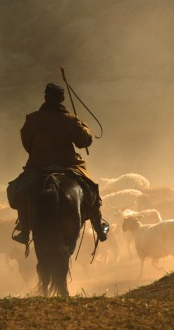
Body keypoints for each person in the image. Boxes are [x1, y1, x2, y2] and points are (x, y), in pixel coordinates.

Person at [8, 82, 108, 245]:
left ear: (46, 97)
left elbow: (27, 144)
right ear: (61, 99)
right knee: (92, 189)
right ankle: (99, 227)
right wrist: (84, 127)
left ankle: (24, 229)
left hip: (38, 165)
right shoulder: (70, 120)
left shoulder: (32, 119)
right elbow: (84, 142)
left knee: (19, 190)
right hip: (68, 165)